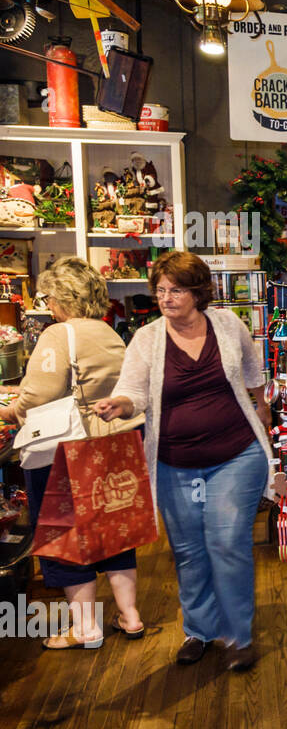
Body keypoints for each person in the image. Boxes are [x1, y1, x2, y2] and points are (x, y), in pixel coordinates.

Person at [94, 251, 274, 671]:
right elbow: (132, 389)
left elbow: (251, 366)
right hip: (175, 461)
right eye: (160, 290)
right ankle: (200, 630)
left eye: (176, 290)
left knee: (226, 542)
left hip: (236, 453)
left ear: (197, 292)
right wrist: (120, 405)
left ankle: (238, 635)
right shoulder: (148, 339)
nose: (166, 298)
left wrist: (262, 403)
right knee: (190, 549)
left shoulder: (228, 324)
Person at [0, 258, 144, 648]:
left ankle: (85, 628)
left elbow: (39, 396)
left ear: (64, 297)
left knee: (63, 534)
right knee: (113, 528)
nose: (46, 304)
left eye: (48, 296)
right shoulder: (108, 332)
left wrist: (10, 409)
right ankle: (130, 616)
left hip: (67, 447)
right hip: (112, 440)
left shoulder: (59, 334)